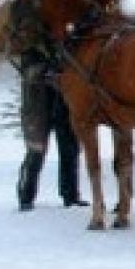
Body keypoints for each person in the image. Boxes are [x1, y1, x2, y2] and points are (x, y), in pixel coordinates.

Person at [17, 47, 86, 211]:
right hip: (38, 104)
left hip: (63, 103)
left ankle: (70, 195)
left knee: (69, 149)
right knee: (36, 151)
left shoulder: (68, 41)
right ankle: (26, 195)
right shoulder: (33, 38)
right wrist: (44, 70)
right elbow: (27, 68)